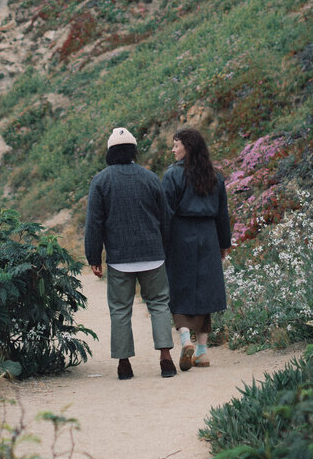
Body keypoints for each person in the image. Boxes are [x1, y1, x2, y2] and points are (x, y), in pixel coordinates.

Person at [84, 126, 177, 380]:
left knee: (120, 309)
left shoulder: (101, 181)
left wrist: (94, 257)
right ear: (134, 151)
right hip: (153, 255)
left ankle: (124, 364)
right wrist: (165, 248)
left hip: (119, 259)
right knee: (158, 304)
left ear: (110, 153)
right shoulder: (150, 178)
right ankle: (166, 359)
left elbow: (94, 223)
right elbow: (165, 219)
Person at [162, 127, 231, 371]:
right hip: (209, 235)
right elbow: (223, 214)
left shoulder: (172, 175)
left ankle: (184, 340)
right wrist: (224, 244)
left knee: (179, 289)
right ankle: (202, 351)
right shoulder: (216, 175)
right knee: (205, 290)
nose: (173, 149)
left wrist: (163, 244)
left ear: (187, 147)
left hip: (181, 234)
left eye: (176, 145)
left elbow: (166, 213)